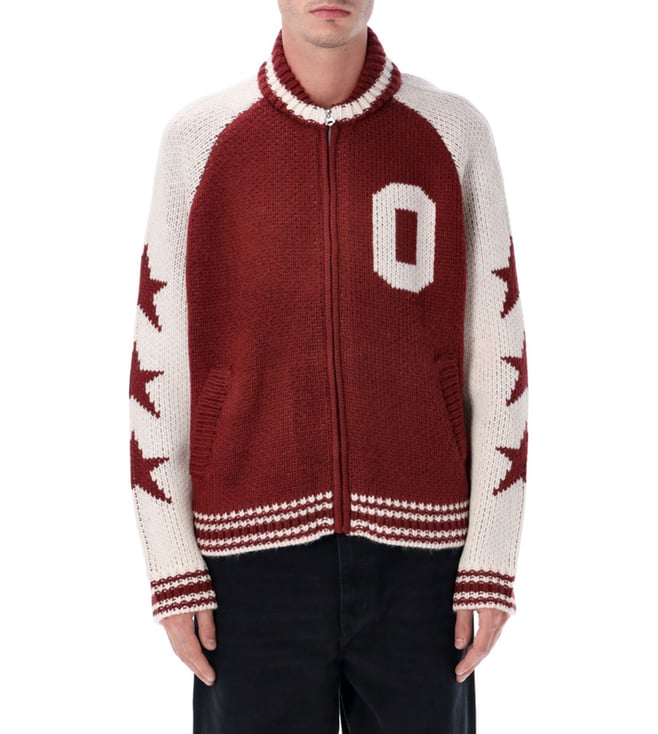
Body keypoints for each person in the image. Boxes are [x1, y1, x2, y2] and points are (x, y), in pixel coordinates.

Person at [128, 1, 528, 731]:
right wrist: (171, 561)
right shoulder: (200, 140)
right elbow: (159, 356)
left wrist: (491, 556)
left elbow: (499, 352)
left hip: (425, 565)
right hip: (244, 564)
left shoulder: (453, 132)